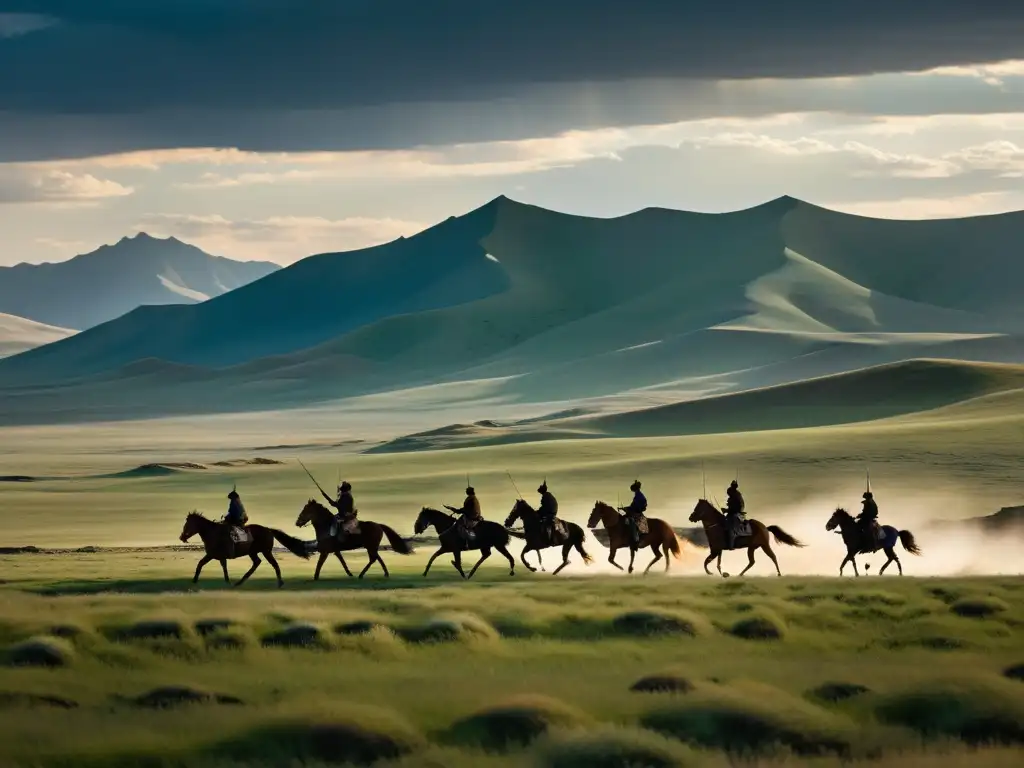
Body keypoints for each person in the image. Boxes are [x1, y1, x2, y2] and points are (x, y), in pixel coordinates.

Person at [618, 480, 648, 548]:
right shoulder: (638, 495)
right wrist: (625, 508)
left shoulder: (639, 495)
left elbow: (635, 506)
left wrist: (626, 508)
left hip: (636, 512)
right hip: (635, 510)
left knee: (631, 522)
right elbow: (633, 505)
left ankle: (635, 538)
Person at [224, 487, 248, 556]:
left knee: (229, 531)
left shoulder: (234, 502)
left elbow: (235, 513)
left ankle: (231, 548)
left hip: (237, 520)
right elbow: (231, 512)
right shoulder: (236, 501)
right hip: (238, 518)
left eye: (230, 496)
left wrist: (228, 518)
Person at [724, 480, 746, 548]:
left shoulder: (737, 495)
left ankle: (731, 544)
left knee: (731, 527)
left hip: (736, 513)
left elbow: (738, 507)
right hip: (732, 513)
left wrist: (727, 510)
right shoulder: (733, 495)